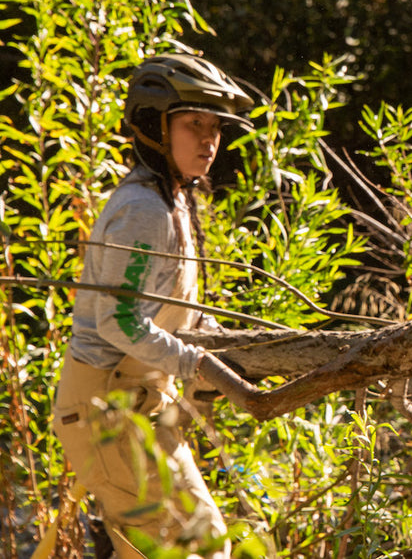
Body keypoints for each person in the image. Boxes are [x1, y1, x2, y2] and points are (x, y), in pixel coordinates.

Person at [54, 54, 264, 559]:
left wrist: (228, 346)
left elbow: (177, 308)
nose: (209, 139)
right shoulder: (142, 210)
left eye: (214, 127)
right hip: (105, 405)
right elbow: (118, 319)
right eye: (194, 124)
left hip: (145, 403)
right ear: (155, 125)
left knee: (208, 542)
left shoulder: (175, 200)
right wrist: (195, 361)